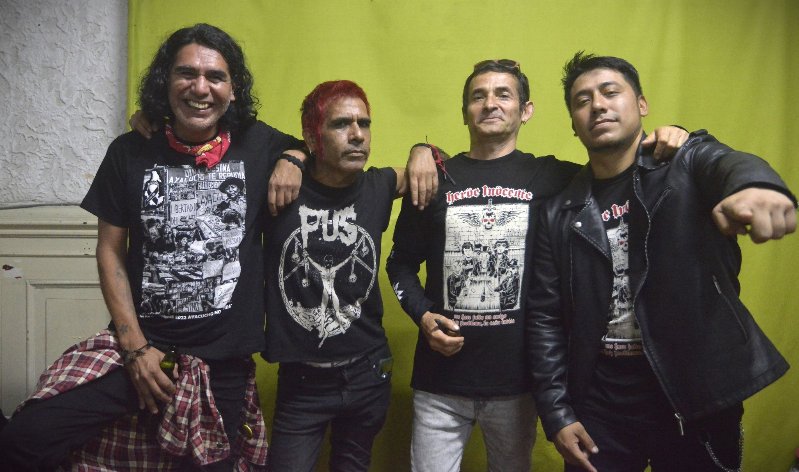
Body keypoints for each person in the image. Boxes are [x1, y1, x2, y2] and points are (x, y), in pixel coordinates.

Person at [0, 23, 308, 471]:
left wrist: (294, 159)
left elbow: (310, 146)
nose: (200, 87)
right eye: (186, 73)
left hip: (222, 364)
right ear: (165, 81)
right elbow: (110, 251)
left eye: (215, 76)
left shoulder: (258, 144)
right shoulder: (129, 151)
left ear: (233, 90)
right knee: (24, 439)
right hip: (143, 350)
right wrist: (135, 349)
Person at [386, 59, 688, 471]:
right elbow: (400, 264)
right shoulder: (435, 179)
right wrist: (422, 314)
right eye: (478, 96)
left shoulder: (556, 178)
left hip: (518, 384)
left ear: (526, 110)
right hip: (439, 383)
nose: (490, 104)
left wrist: (677, 136)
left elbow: (620, 164)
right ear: (464, 112)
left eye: (503, 94)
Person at [526, 52, 796, 472]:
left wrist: (755, 185)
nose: (597, 105)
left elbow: (725, 163)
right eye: (582, 100)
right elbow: (544, 317)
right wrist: (558, 414)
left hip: (696, 394)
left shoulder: (685, 162)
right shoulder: (557, 212)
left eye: (610, 92)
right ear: (573, 124)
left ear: (642, 104)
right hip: (600, 406)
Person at [261, 80, 422, 471]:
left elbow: (437, 166)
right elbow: (221, 132)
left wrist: (423, 151)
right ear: (312, 136)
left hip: (369, 371)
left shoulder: (379, 185)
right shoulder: (280, 185)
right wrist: (151, 120)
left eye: (364, 124)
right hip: (303, 383)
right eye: (340, 124)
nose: (357, 135)